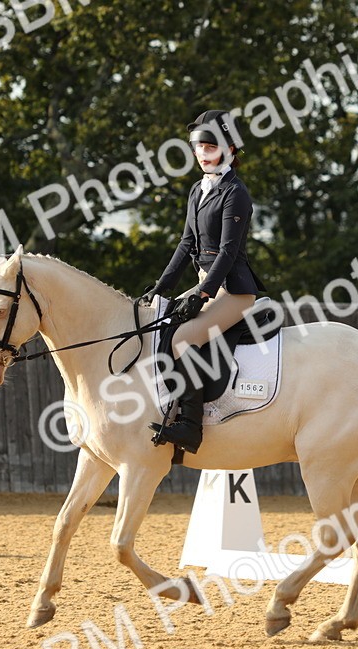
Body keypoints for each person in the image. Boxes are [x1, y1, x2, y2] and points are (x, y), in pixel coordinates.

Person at [142, 110, 266, 454]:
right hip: (205, 284)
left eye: (209, 147)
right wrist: (161, 287)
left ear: (228, 150)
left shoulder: (235, 193)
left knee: (182, 338)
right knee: (159, 325)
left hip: (234, 290)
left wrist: (204, 292)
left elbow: (227, 252)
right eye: (198, 147)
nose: (202, 154)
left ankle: (190, 426)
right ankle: (168, 404)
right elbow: (186, 243)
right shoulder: (198, 189)